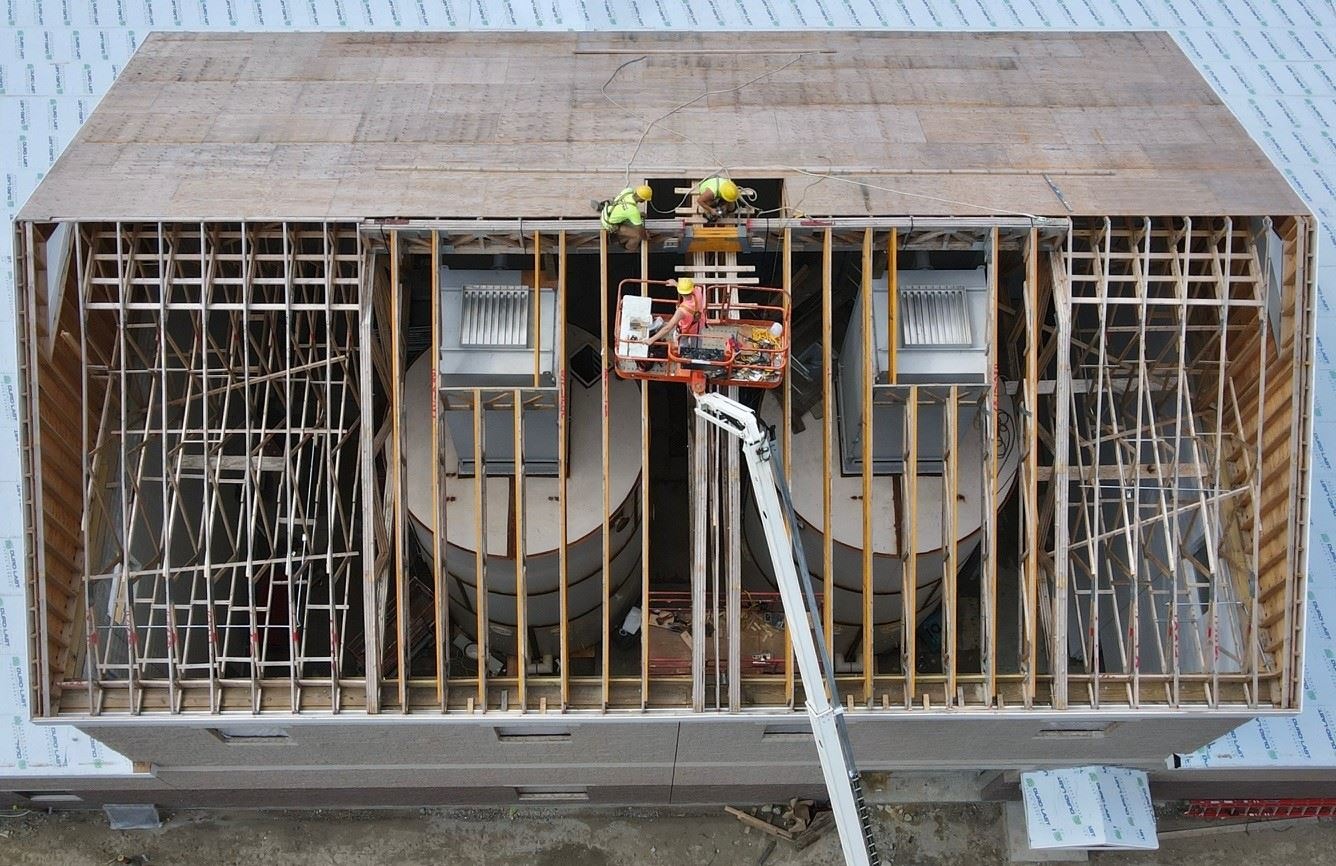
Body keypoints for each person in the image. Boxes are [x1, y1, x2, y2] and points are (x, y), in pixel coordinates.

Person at [645, 279, 704, 350]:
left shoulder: (681, 311)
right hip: (697, 329)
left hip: (684, 332)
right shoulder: (698, 292)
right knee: (696, 352)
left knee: (683, 352)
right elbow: (688, 289)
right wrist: (676, 284)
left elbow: (668, 328)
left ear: (680, 292)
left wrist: (651, 339)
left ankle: (683, 358)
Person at [599, 184, 652, 251]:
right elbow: (640, 231)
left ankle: (623, 238)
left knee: (634, 222)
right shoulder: (633, 211)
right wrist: (645, 237)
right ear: (642, 199)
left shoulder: (628, 191)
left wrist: (638, 215)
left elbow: (623, 209)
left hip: (606, 213)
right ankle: (629, 249)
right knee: (637, 236)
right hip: (608, 224)